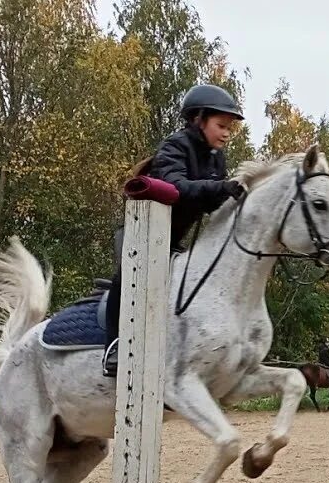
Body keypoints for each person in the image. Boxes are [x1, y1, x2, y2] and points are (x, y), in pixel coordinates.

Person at [103, 84, 247, 377]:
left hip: (174, 240)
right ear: (198, 119)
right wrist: (219, 187)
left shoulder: (215, 157)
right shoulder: (174, 146)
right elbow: (176, 187)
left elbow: (212, 201)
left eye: (229, 127)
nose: (227, 133)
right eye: (221, 125)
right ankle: (114, 345)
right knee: (128, 277)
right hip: (143, 234)